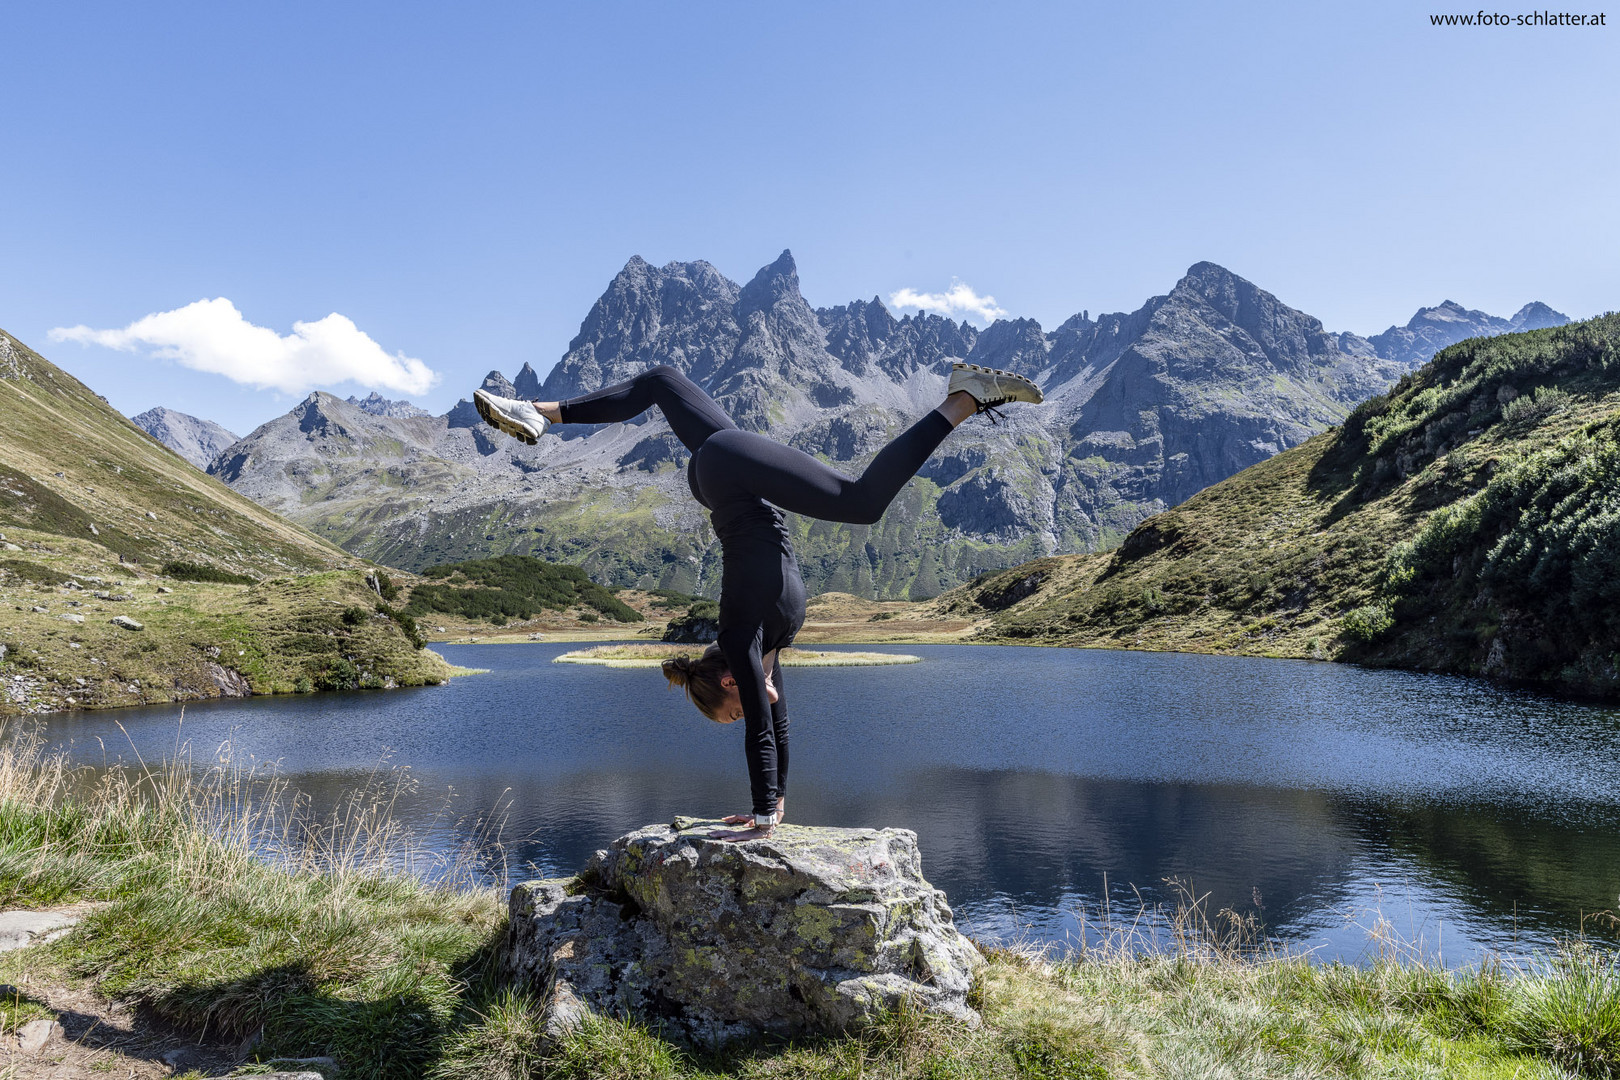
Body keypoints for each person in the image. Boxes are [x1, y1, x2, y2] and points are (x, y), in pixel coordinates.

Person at [473, 362, 1042, 839]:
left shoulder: (739, 637)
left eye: (740, 705)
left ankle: (965, 397)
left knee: (861, 502)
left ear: (729, 683)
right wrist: (779, 804)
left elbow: (762, 735)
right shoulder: (769, 648)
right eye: (748, 707)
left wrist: (763, 816)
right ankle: (539, 412)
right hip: (727, 477)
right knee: (662, 383)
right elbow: (782, 730)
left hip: (727, 473)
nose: (756, 706)